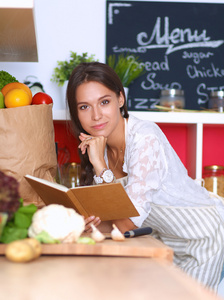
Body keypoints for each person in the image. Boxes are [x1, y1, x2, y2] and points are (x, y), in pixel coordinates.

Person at [66, 61, 224, 291]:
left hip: (202, 240)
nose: (96, 115)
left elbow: (125, 222)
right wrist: (94, 225)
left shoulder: (144, 139)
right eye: (84, 107)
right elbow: (118, 223)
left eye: (105, 102)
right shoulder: (101, 149)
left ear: (121, 99)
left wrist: (100, 166)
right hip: (161, 242)